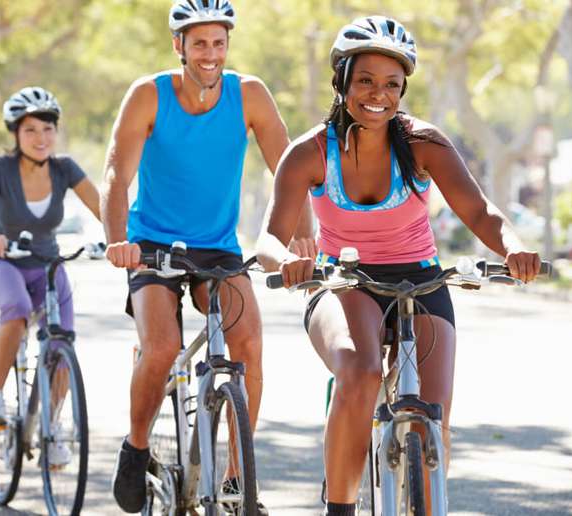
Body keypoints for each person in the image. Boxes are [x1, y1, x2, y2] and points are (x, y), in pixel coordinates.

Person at [255, 16, 542, 516]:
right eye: (365, 80)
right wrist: (288, 262)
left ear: (403, 89)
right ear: (341, 81)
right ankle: (340, 508)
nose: (378, 95)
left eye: (392, 84)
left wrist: (513, 246)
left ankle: (428, 501)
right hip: (343, 281)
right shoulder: (309, 153)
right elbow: (269, 239)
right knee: (361, 372)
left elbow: (479, 211)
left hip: (421, 278)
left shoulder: (425, 143)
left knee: (435, 412)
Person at [102, 1, 312, 512]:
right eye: (199, 43)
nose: (210, 54)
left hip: (218, 247)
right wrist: (117, 240)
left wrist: (303, 240)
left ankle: (239, 488)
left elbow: (291, 171)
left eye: (219, 43)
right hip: (151, 244)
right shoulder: (148, 95)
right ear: (179, 46)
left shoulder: (251, 96)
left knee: (249, 341)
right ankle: (135, 448)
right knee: (161, 346)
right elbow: (116, 174)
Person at [0, 86, 101, 465]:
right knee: (17, 310)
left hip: (48, 266)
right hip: (3, 262)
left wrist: (122, 239)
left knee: (61, 344)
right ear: (16, 135)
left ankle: (52, 428)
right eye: (30, 131)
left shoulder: (65, 168)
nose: (41, 139)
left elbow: (103, 206)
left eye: (47, 130)